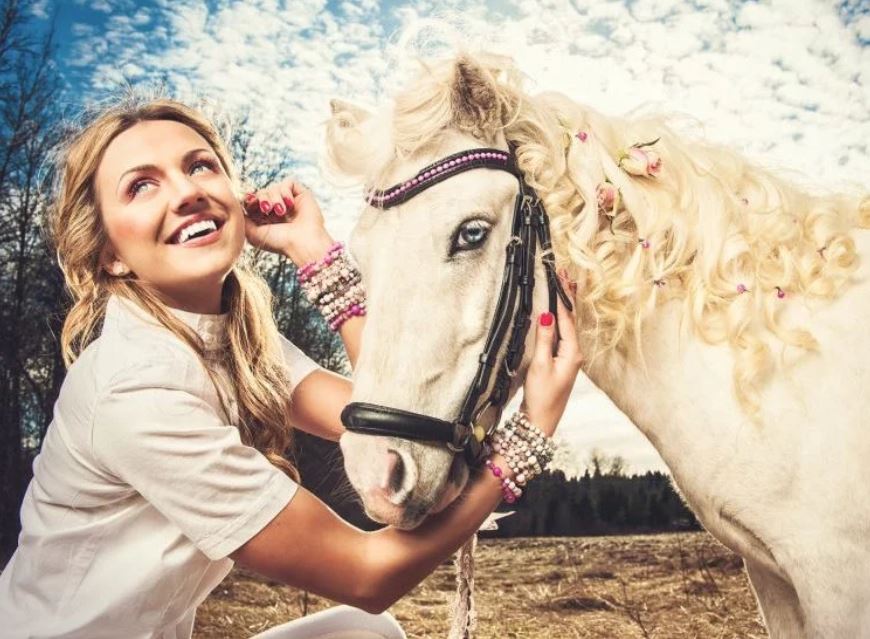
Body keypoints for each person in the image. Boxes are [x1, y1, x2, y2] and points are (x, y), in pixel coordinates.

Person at [0, 97, 582, 638]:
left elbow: (382, 424)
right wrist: (525, 442)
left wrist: (312, 250)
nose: (186, 192)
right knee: (366, 619)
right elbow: (367, 573)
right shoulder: (134, 390)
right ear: (111, 256)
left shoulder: (227, 337)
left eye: (200, 166)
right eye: (142, 186)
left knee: (364, 636)